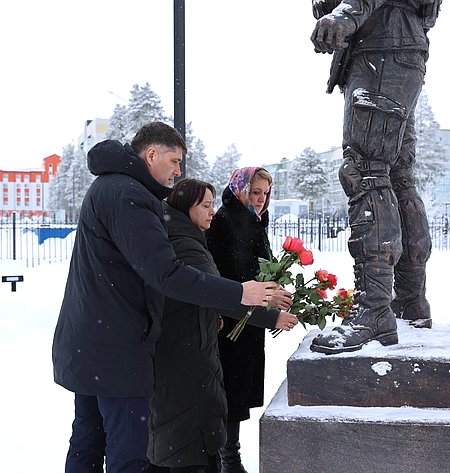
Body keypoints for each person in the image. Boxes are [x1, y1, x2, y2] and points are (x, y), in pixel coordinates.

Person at [52, 122, 278, 473]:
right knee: (128, 455)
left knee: (87, 443)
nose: (178, 170)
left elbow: (134, 271)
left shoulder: (108, 186)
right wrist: (240, 293)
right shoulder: (130, 196)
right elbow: (166, 273)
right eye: (174, 161)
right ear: (151, 154)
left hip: (91, 342)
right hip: (118, 350)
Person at [308, 0, 442, 354]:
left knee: (365, 171)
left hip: (381, 49)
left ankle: (375, 308)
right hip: (395, 49)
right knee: (398, 177)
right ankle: (409, 301)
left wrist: (347, 13)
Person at [147, 178, 298, 473]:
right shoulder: (188, 243)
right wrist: (268, 314)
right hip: (193, 346)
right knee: (188, 440)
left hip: (202, 336)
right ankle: (228, 459)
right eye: (204, 205)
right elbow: (214, 288)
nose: (211, 211)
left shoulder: (190, 236)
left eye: (265, 194)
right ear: (185, 207)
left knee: (186, 434)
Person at [206, 167, 287, 473]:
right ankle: (227, 459)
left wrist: (276, 286)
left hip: (250, 322)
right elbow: (227, 277)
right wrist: (267, 297)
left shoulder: (254, 222)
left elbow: (261, 267)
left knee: (238, 394)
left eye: (266, 193)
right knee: (228, 393)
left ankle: (230, 457)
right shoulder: (225, 223)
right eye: (255, 192)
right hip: (230, 322)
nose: (261, 199)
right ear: (239, 189)